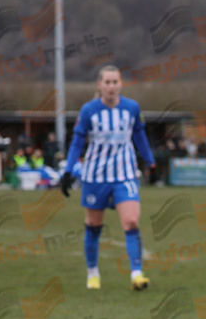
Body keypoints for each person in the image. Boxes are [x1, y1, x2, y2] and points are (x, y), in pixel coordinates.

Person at [60, 65, 156, 290]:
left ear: (121, 84)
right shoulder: (88, 110)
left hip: (125, 175)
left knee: (131, 221)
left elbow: (139, 135)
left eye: (115, 82)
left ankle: (136, 274)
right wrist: (68, 171)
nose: (111, 86)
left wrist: (150, 161)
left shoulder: (131, 108)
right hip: (95, 176)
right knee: (94, 225)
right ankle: (93, 273)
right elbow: (77, 142)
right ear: (99, 85)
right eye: (107, 82)